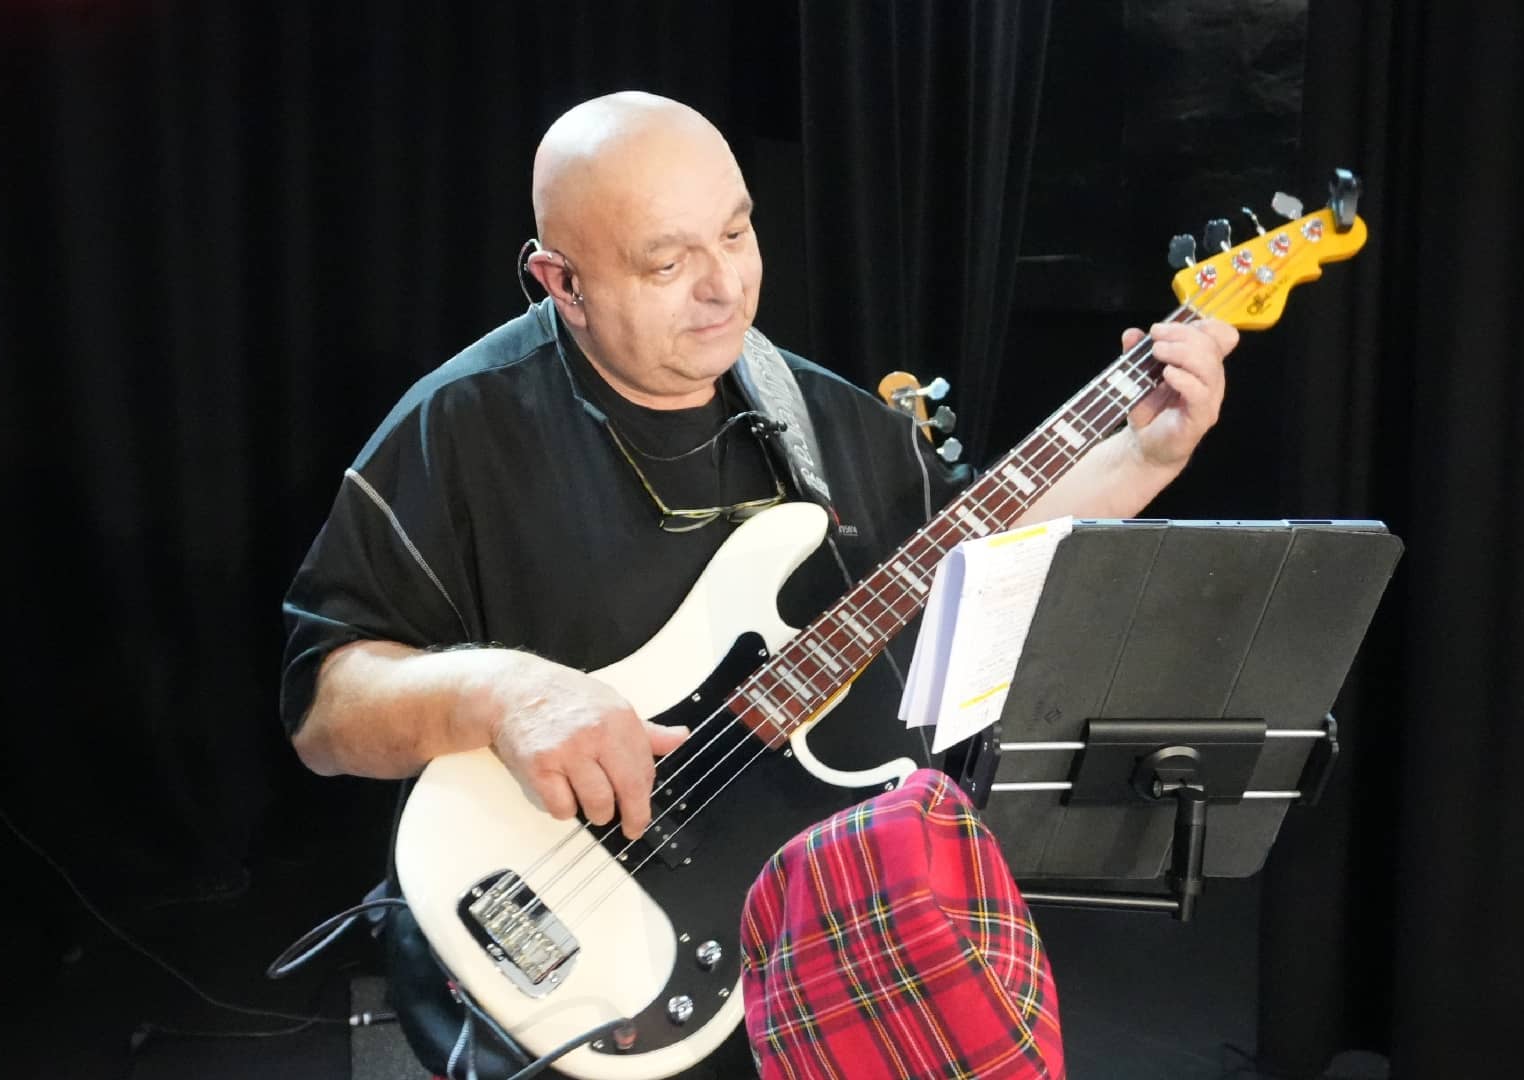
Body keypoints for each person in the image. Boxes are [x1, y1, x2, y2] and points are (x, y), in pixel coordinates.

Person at [281, 91, 1235, 1079]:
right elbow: (323, 710)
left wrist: (1142, 458)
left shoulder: (830, 421)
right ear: (559, 279)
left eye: (736, 232)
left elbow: (969, 568)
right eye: (666, 262)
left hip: (812, 968)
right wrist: (505, 695)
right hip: (547, 951)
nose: (723, 286)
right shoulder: (463, 428)